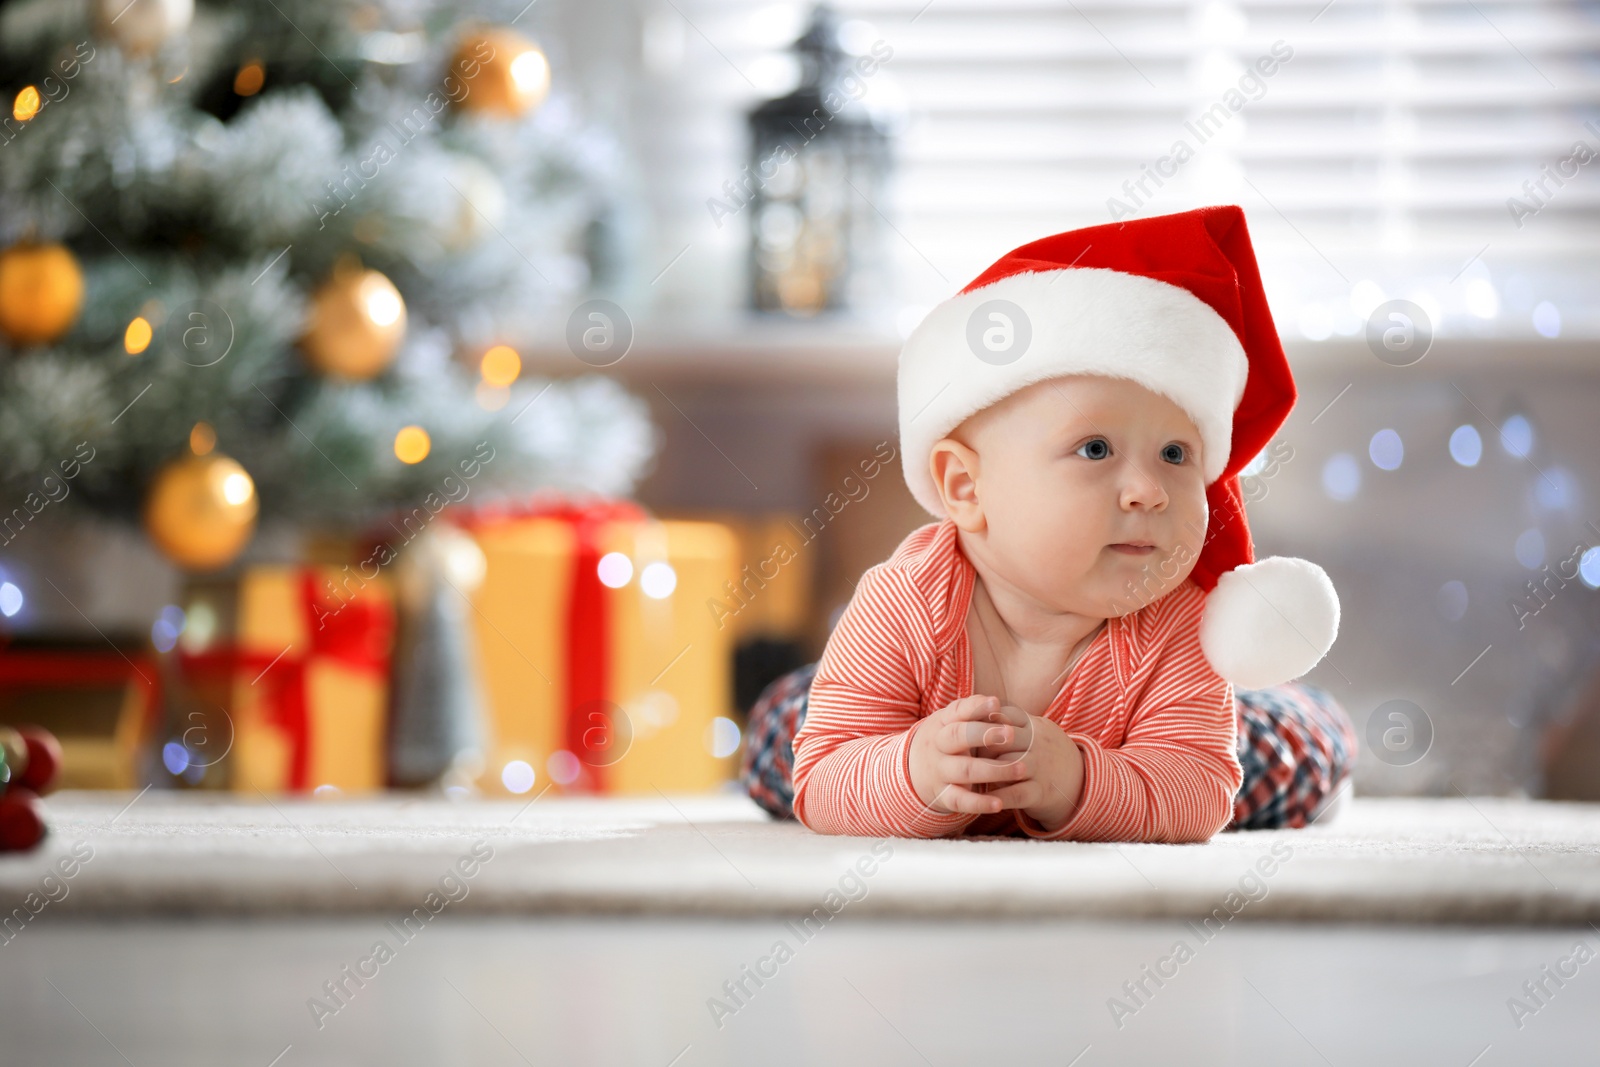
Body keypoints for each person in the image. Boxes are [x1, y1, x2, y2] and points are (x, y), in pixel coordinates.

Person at [740, 205, 1355, 840]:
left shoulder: (1177, 624)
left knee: (1282, 756)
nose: (1150, 491)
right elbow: (824, 781)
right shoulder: (904, 604)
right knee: (782, 736)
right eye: (1095, 449)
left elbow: (1198, 797)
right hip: (880, 709)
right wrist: (914, 771)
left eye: (1176, 454)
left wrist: (1078, 782)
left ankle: (1307, 723)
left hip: (1176, 744)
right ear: (965, 487)